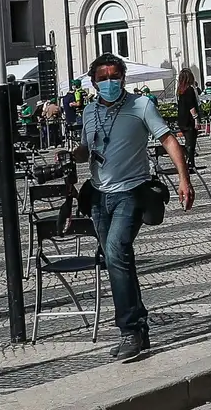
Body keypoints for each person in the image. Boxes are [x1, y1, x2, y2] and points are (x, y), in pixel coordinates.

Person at [74, 53, 194, 361]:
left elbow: (168, 140)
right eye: (103, 78)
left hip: (132, 191)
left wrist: (184, 180)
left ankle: (129, 330)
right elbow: (88, 148)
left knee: (116, 252)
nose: (110, 82)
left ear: (123, 78)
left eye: (115, 76)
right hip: (99, 194)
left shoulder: (141, 106)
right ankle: (139, 325)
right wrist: (72, 154)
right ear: (93, 82)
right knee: (116, 260)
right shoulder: (88, 111)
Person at [174, 68, 201, 171]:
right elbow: (191, 106)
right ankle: (190, 164)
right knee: (191, 143)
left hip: (182, 119)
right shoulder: (189, 89)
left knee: (187, 142)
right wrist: (196, 119)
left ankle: (188, 163)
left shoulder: (180, 90)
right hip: (189, 120)